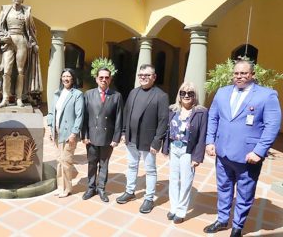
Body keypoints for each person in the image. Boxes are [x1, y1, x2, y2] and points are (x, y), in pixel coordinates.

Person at [204, 60, 281, 237]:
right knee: (223, 188)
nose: (239, 77)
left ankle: (238, 226)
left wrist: (259, 151)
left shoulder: (266, 95)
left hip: (248, 156)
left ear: (252, 75)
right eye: (236, 73)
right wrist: (210, 141)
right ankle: (222, 220)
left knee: (245, 193)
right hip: (222, 152)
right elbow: (213, 117)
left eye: (244, 73)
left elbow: (272, 126)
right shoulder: (222, 92)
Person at [116, 64, 169, 214]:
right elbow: (127, 113)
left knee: (150, 170)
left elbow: (163, 120)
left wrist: (157, 141)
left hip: (148, 141)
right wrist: (124, 132)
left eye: (146, 75)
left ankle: (149, 198)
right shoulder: (133, 92)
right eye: (141, 75)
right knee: (132, 166)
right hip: (131, 138)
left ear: (154, 77)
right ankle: (130, 191)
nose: (143, 78)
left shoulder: (160, 95)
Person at [161, 82, 207, 223]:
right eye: (183, 93)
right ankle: (174, 207)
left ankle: (181, 211)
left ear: (195, 96)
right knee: (173, 179)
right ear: (179, 96)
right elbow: (167, 130)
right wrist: (165, 147)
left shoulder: (201, 112)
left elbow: (202, 136)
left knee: (186, 181)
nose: (186, 96)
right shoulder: (173, 109)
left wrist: (197, 156)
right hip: (174, 147)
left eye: (190, 93)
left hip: (188, 150)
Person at [0, 0, 41, 108]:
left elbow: (32, 30)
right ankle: (5, 98)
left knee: (20, 71)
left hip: (22, 41)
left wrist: (33, 43)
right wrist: (2, 38)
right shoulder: (5, 11)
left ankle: (19, 98)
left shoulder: (27, 12)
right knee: (6, 70)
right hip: (9, 41)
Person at [81, 67, 123, 203]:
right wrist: (84, 135)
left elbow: (119, 118)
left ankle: (101, 189)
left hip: (107, 137)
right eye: (101, 77)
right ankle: (91, 187)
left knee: (104, 164)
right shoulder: (88, 94)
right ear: (96, 79)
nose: (104, 80)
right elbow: (85, 117)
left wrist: (116, 138)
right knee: (92, 163)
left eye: (106, 77)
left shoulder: (116, 96)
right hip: (92, 136)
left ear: (110, 79)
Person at [47, 68, 84, 198]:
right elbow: (51, 112)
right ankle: (60, 186)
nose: (66, 78)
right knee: (59, 160)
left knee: (66, 161)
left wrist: (74, 133)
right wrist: (50, 127)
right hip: (57, 132)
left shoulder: (77, 94)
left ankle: (67, 188)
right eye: (63, 76)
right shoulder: (57, 93)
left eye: (68, 76)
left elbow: (80, 116)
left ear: (73, 79)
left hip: (69, 134)